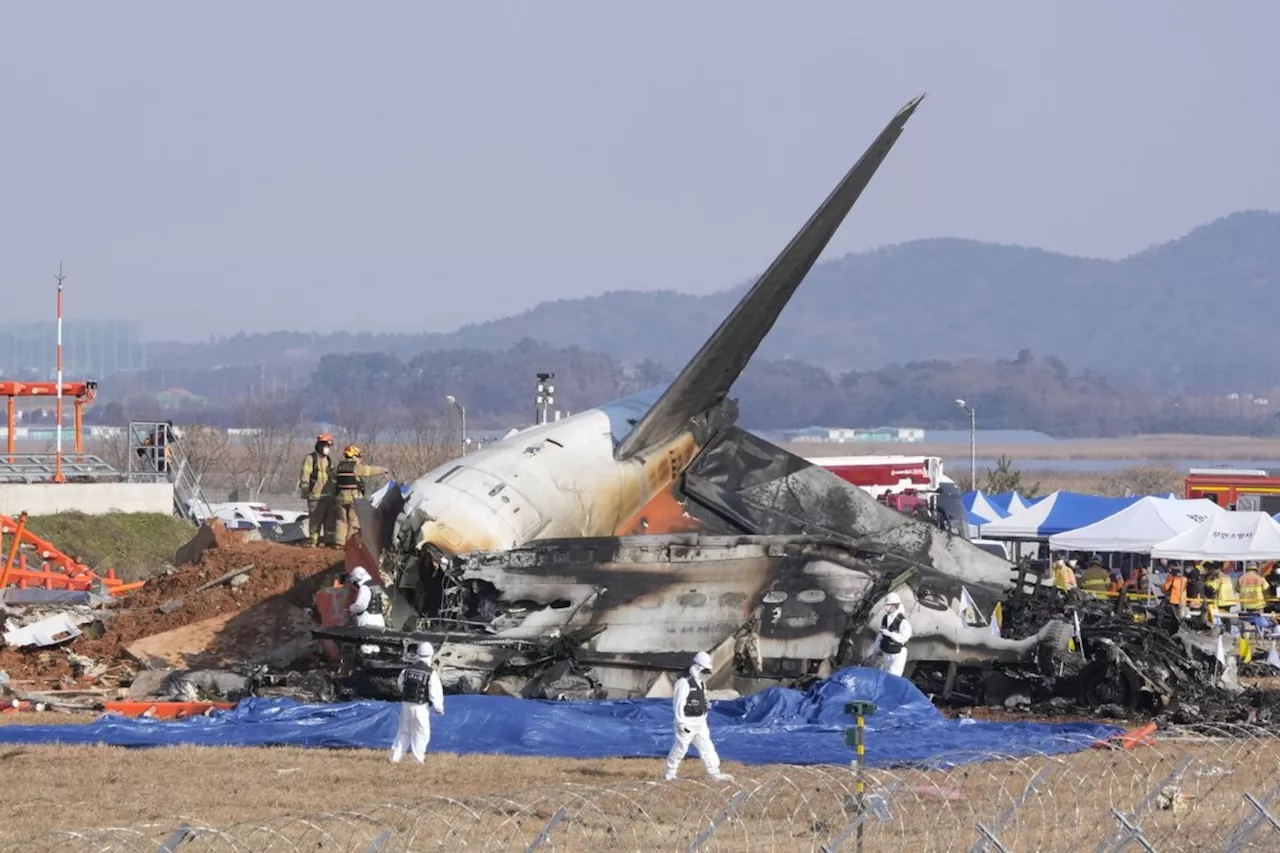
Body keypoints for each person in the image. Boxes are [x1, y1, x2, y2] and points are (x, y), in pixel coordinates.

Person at [663, 651, 732, 782]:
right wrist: (681, 722)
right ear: (698, 667)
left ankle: (714, 772)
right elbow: (678, 703)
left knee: (707, 746)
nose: (705, 674)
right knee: (680, 749)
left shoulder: (700, 683)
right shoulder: (683, 682)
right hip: (687, 722)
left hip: (700, 721)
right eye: (704, 670)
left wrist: (704, 706)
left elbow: (701, 697)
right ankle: (669, 774)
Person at [389, 641, 445, 764]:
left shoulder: (406, 670)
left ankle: (394, 758)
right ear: (431, 655)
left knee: (403, 731)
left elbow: (400, 685)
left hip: (406, 705)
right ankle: (417, 760)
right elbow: (435, 693)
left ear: (417, 654)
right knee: (421, 733)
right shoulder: (431, 673)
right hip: (421, 707)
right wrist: (438, 708)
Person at [331, 445, 390, 548]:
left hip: (340, 499)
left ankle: (339, 543)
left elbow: (331, 475)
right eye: (358, 456)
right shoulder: (356, 467)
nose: (359, 459)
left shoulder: (338, 467)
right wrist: (382, 470)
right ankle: (350, 544)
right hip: (353, 499)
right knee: (353, 522)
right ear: (353, 456)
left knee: (341, 521)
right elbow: (370, 470)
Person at [299, 433, 334, 548]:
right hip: (315, 496)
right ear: (319, 445)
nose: (327, 448)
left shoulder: (328, 459)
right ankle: (313, 541)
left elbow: (332, 476)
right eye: (325, 445)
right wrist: (305, 490)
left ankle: (329, 542)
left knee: (330, 520)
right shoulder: (310, 459)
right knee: (315, 520)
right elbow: (305, 475)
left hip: (328, 496)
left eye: (329, 446)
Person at [347, 566, 387, 656]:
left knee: (366, 647)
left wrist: (351, 608)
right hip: (378, 618)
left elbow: (360, 606)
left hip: (368, 619)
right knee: (376, 646)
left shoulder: (364, 588)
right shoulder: (375, 585)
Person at [874, 591, 912, 677]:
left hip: (897, 654)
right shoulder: (885, 618)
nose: (886, 608)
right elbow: (880, 635)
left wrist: (890, 634)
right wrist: (876, 649)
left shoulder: (903, 621)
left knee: (893, 676)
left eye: (888, 605)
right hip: (886, 651)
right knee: (883, 674)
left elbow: (904, 638)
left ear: (894, 605)